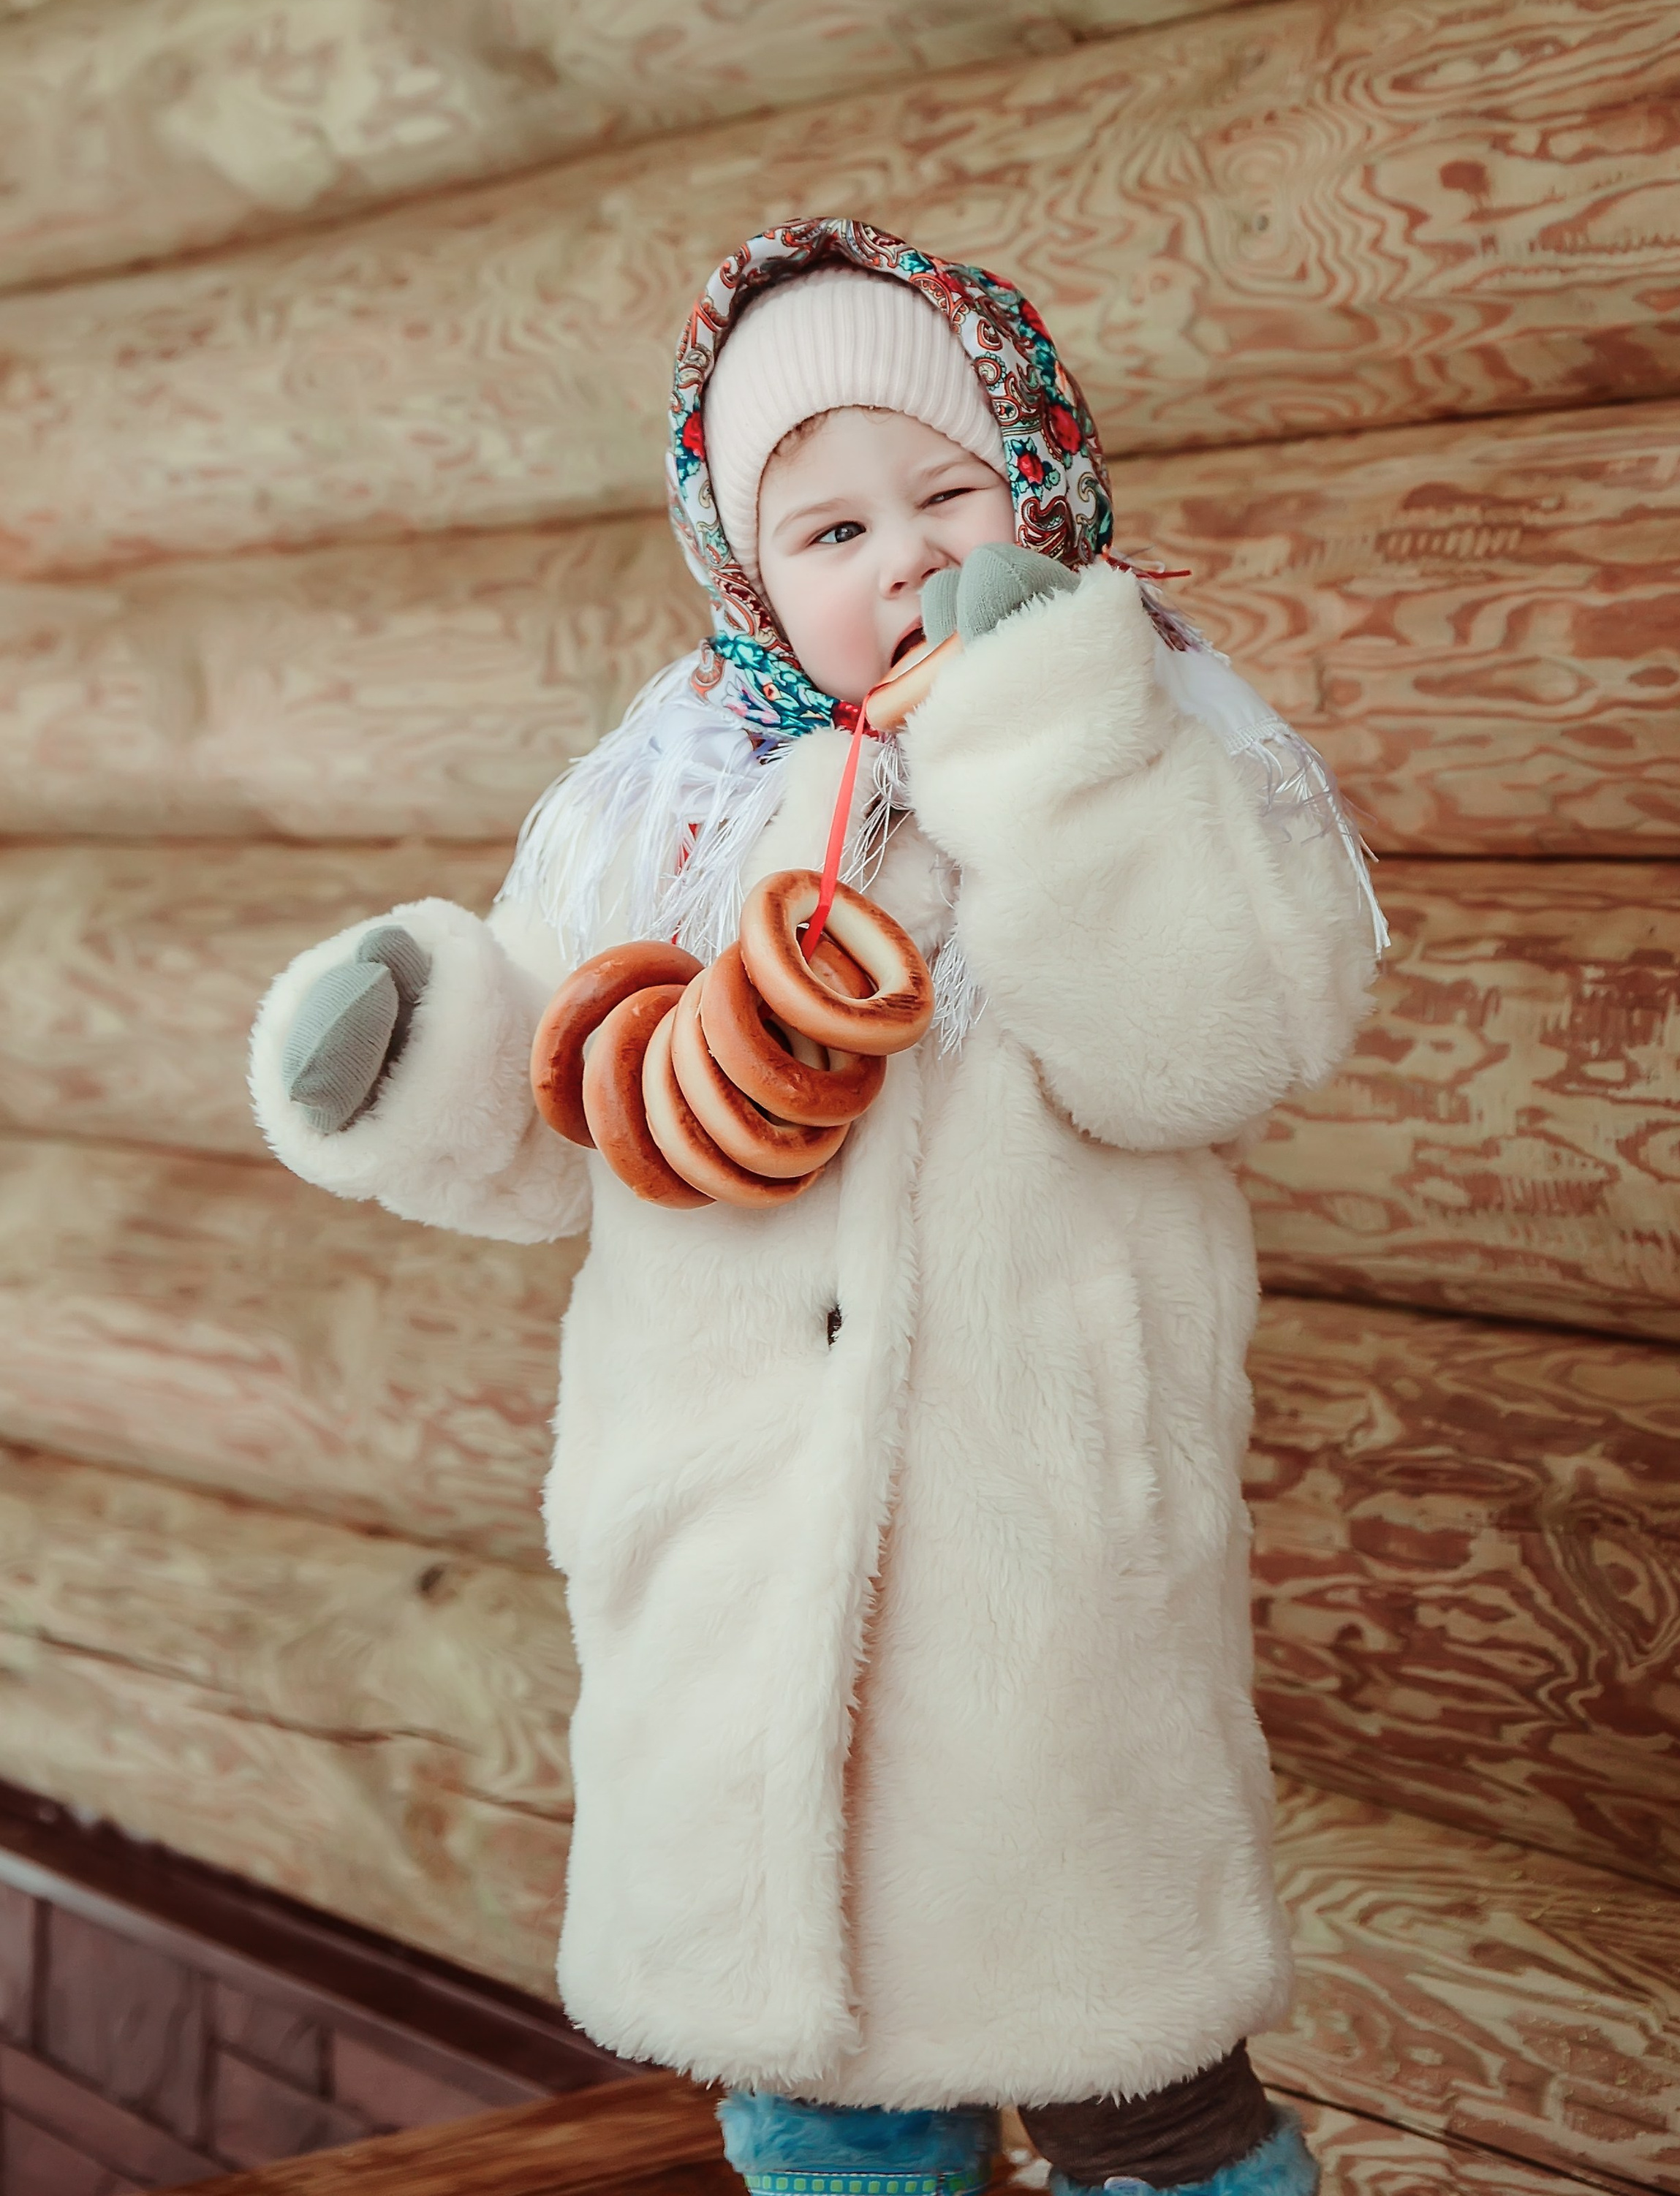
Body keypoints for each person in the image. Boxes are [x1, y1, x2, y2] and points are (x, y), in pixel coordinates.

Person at [251, 219, 1385, 2196]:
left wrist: (1045, 732)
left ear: (1039, 486)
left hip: (1036, 1578)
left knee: (1142, 2087)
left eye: (949, 495)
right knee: (821, 2102)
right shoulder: (672, 797)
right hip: (733, 1571)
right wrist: (416, 1048)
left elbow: (1192, 1042)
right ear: (745, 560)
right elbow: (562, 1092)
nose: (906, 560)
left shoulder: (1151, 745)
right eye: (833, 529)